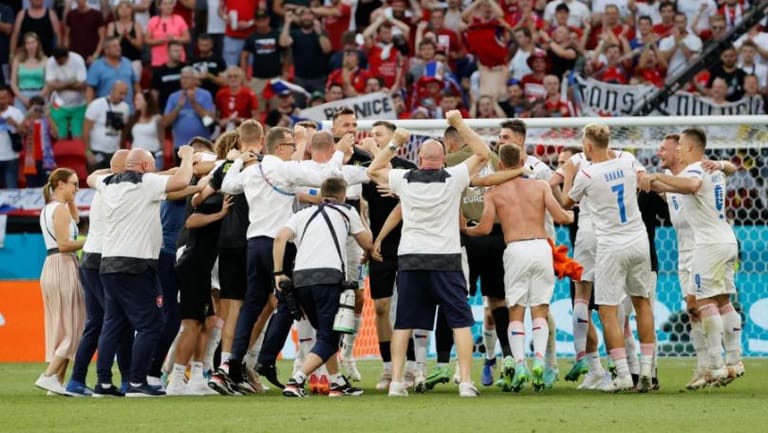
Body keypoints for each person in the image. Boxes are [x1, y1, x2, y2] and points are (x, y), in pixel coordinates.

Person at [213, 126, 351, 394]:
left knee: (251, 305)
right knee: (290, 303)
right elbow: (324, 175)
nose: (293, 150)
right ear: (278, 147)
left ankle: (230, 364)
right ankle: (266, 360)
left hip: (254, 244)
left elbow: (227, 185)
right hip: (281, 244)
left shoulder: (251, 170)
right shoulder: (283, 168)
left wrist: (240, 158)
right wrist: (339, 154)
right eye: (290, 145)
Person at [367, 110, 489, 398]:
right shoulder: (454, 177)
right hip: (445, 259)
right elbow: (483, 153)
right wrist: (459, 124)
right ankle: (465, 382)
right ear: (444, 159)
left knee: (404, 323)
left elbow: (373, 170)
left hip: (411, 259)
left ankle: (397, 382)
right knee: (460, 321)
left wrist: (395, 142)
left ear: (420, 159)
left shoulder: (404, 179)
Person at [463, 144, 573, 392]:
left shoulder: (494, 193)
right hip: (541, 247)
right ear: (523, 160)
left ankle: (520, 363)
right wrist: (573, 217)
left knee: (515, 310)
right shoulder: (541, 186)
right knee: (540, 309)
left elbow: (484, 228)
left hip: (514, 249)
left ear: (500, 165)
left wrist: (464, 229)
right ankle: (539, 362)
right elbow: (561, 216)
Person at [88, 145, 195, 397]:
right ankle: (137, 381)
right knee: (150, 324)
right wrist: (188, 156)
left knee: (112, 324)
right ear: (145, 166)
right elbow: (181, 179)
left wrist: (116, 168)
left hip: (108, 264)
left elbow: (90, 177)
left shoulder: (107, 183)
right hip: (136, 264)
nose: (156, 168)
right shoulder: (145, 182)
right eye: (153, 163)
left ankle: (103, 383)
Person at [644, 128, 744, 386]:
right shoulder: (708, 170)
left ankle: (715, 365)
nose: (666, 152)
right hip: (720, 240)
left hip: (705, 245)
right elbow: (727, 169)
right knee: (720, 300)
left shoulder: (695, 171)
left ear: (686, 148)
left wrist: (652, 176)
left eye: (673, 148)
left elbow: (692, 185)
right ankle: (732, 361)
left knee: (702, 302)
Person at [563, 123, 657, 393]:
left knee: (607, 311)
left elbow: (566, 204)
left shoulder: (588, 174)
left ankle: (624, 375)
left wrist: (569, 175)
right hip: (639, 240)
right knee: (642, 303)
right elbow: (644, 177)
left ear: (589, 146)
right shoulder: (628, 160)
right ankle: (647, 369)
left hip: (611, 246)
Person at [277, 177, 372, 398]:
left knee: (324, 332)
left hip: (299, 279)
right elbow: (367, 242)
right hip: (328, 278)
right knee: (330, 337)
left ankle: (337, 382)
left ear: (322, 194)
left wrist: (277, 273)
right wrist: (364, 217)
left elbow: (280, 238)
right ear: (343, 195)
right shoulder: (346, 210)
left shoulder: (301, 214)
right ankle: (297, 380)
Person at [65, 151, 132, 397]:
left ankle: (77, 379)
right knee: (119, 320)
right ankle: (121, 379)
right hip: (104, 259)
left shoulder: (105, 186)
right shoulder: (121, 190)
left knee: (96, 323)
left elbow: (95, 175)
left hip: (91, 258)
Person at [359, 121, 416, 391]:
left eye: (378, 134)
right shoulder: (367, 172)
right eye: (370, 135)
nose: (372, 139)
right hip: (379, 250)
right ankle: (386, 369)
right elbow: (359, 206)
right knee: (381, 307)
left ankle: (412, 367)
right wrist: (366, 242)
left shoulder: (408, 168)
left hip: (407, 244)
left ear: (394, 139)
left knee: (407, 307)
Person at [33, 168, 85, 396]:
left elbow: (75, 220)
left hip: (53, 265)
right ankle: (48, 376)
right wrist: (92, 239)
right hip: (63, 263)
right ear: (61, 184)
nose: (77, 189)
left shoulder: (50, 208)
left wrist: (71, 200)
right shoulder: (59, 210)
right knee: (74, 327)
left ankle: (56, 382)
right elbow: (65, 244)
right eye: (74, 184)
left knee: (63, 325)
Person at [162, 67, 216, 162]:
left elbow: (209, 121)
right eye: (182, 77)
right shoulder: (173, 97)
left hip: (202, 146)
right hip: (181, 146)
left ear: (195, 80)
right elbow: (165, 123)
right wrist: (178, 107)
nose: (183, 80)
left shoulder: (205, 95)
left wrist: (194, 103)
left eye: (187, 78)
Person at [83, 81, 130, 171]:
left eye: (125, 94)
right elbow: (86, 130)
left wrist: (122, 152)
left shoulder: (125, 108)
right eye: (120, 93)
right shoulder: (97, 104)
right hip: (97, 151)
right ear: (112, 90)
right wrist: (88, 152)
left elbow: (124, 132)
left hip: (115, 152)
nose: (122, 97)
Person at [85, 36, 140, 110]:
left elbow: (136, 84)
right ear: (106, 50)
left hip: (128, 110)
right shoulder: (96, 66)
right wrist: (89, 108)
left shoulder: (127, 62)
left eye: (119, 45)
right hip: (106, 110)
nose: (118, 48)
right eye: (114, 46)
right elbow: (90, 89)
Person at [45, 48, 87, 140]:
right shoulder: (51, 61)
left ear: (67, 57)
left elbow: (82, 85)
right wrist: (71, 81)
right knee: (60, 136)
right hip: (59, 105)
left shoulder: (77, 60)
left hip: (78, 104)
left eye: (60, 62)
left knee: (78, 137)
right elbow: (50, 85)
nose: (58, 64)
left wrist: (59, 85)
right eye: (57, 62)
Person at [20, 95, 56, 187]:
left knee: (47, 187)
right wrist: (27, 115)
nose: (36, 111)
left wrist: (49, 116)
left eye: (39, 108)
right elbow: (20, 131)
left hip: (46, 160)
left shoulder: (47, 122)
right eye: (34, 109)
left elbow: (56, 134)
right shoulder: (27, 122)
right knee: (32, 186)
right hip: (31, 161)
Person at [10, 32, 48, 113]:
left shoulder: (45, 60)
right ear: (24, 45)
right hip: (21, 95)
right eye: (28, 43)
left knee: (40, 123)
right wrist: (23, 99)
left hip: (40, 95)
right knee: (21, 122)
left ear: (38, 44)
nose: (31, 45)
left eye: (33, 42)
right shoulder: (17, 60)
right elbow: (13, 83)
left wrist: (37, 99)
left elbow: (47, 84)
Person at [146, 0, 191, 68]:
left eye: (170, 4)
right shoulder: (153, 20)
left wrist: (174, 38)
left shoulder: (179, 19)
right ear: (159, 6)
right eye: (165, 4)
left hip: (178, 60)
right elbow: (147, 41)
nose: (168, 6)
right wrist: (161, 40)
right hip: (158, 61)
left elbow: (188, 38)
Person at [125, 90, 163, 168]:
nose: (135, 102)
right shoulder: (134, 119)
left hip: (152, 156)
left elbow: (161, 140)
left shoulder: (157, 119)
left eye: (138, 99)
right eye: (135, 99)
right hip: (135, 158)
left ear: (146, 101)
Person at [106, 1, 145, 79]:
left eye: (127, 7)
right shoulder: (112, 25)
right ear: (117, 11)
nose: (124, 9)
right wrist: (121, 36)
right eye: (121, 7)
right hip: (116, 61)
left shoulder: (137, 25)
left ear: (131, 10)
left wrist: (129, 37)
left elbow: (140, 46)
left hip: (134, 60)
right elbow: (109, 45)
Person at [215, 66, 258, 132]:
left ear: (241, 78)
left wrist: (240, 120)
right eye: (230, 76)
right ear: (226, 79)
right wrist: (220, 121)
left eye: (235, 76)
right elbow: (216, 115)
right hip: (225, 132)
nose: (233, 79)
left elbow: (256, 117)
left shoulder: (249, 94)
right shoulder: (220, 94)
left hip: (244, 131)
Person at [0, 85, 27, 189]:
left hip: (11, 157)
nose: (1, 101)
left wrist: (14, 124)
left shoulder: (16, 112)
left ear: (9, 98)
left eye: (3, 98)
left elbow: (24, 132)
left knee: (12, 189)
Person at [63, 0, 105, 64]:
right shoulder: (70, 14)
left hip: (92, 57)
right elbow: (66, 36)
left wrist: (95, 55)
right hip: (74, 56)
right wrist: (67, 53)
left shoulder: (97, 14)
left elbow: (102, 37)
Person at [151, 41, 186, 111]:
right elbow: (154, 93)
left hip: (184, 108)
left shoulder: (186, 69)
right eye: (176, 51)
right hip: (165, 109)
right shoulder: (159, 71)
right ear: (168, 52)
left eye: (180, 51)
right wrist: (156, 110)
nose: (179, 54)